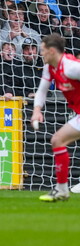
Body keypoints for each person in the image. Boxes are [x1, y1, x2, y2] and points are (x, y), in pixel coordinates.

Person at [31, 34, 80, 202]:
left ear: (52, 51)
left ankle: (62, 190)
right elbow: (42, 90)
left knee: (57, 140)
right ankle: (62, 190)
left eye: (43, 50)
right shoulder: (50, 67)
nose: (41, 54)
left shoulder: (71, 67)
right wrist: (37, 110)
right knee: (57, 141)